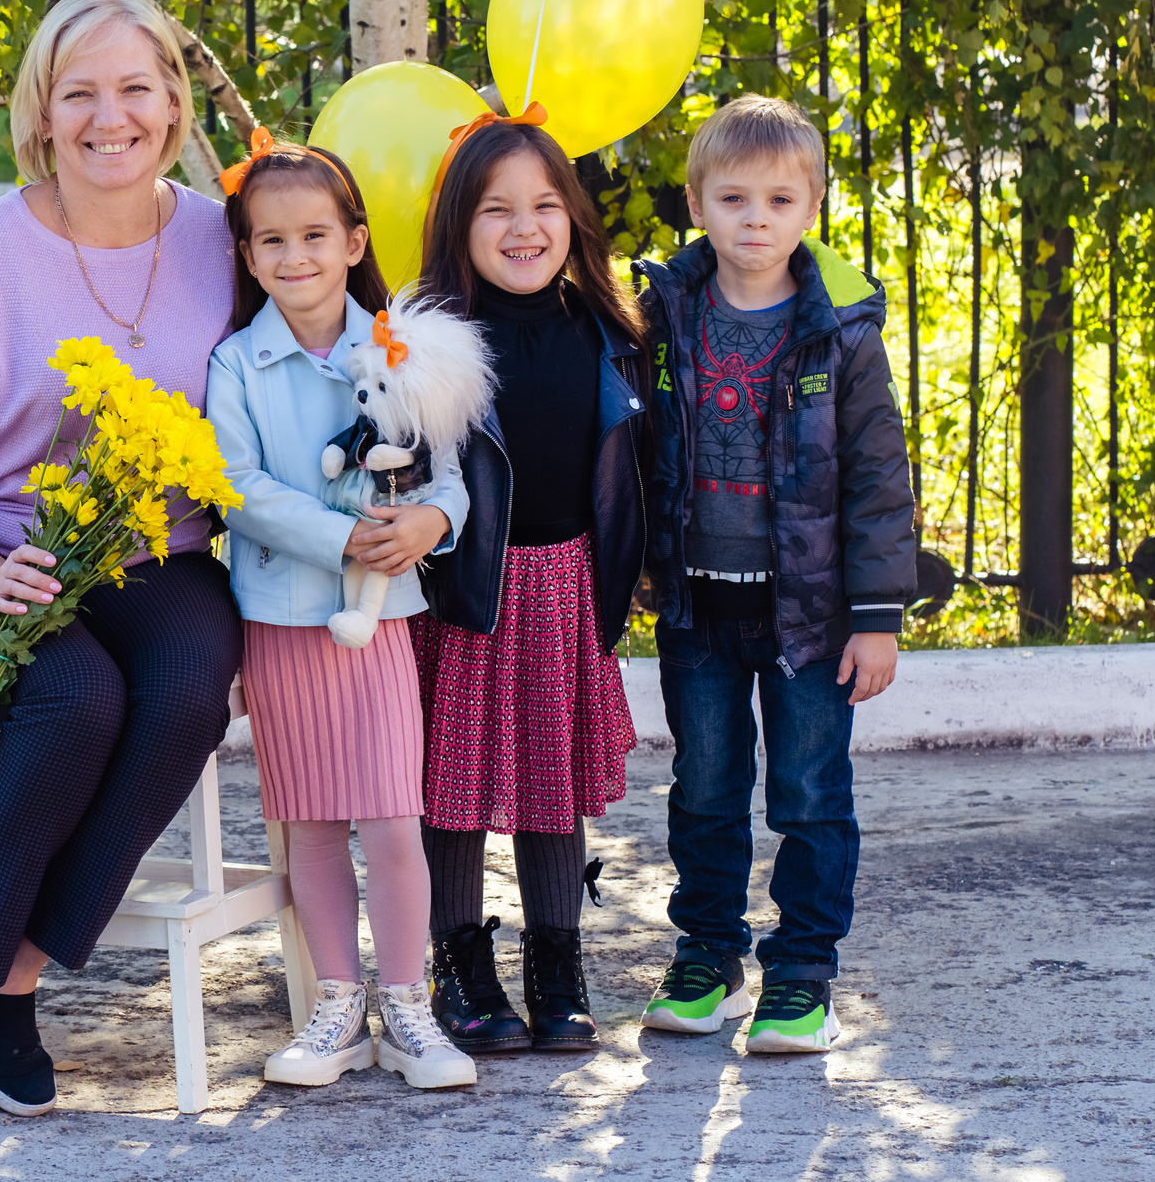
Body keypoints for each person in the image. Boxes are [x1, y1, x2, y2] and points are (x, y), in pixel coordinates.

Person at [0, 0, 241, 1131]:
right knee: (73, 694)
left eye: (135, 88)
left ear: (174, 105)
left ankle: (10, 972)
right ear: (40, 113)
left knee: (182, 691)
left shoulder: (219, 235)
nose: (108, 116)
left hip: (152, 553)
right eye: (79, 92)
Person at [635, 94, 914, 1054]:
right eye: (735, 197)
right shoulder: (664, 312)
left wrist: (875, 615)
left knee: (807, 790)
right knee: (705, 786)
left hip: (811, 615)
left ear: (814, 206)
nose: (757, 219)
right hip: (697, 605)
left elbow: (879, 477)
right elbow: (627, 449)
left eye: (781, 200)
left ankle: (801, 973)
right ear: (697, 202)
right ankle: (707, 953)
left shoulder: (841, 331)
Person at [204, 137, 475, 1090]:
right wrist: (339, 535)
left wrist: (433, 520)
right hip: (282, 621)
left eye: (316, 233)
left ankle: (409, 1005)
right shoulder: (236, 364)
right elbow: (234, 488)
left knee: (393, 818)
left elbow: (453, 476)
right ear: (246, 255)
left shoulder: (402, 348)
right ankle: (337, 1004)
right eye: (271, 240)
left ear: (355, 240)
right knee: (311, 821)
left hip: (380, 624)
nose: (296, 256)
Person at [412, 116, 649, 1058]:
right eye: (497, 208)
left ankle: (560, 961)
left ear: (574, 218)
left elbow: (637, 464)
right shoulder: (434, 340)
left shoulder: (608, 332)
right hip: (467, 594)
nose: (524, 226)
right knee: (456, 788)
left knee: (554, 788)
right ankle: (460, 964)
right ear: (459, 223)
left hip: (565, 586)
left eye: (545, 204)